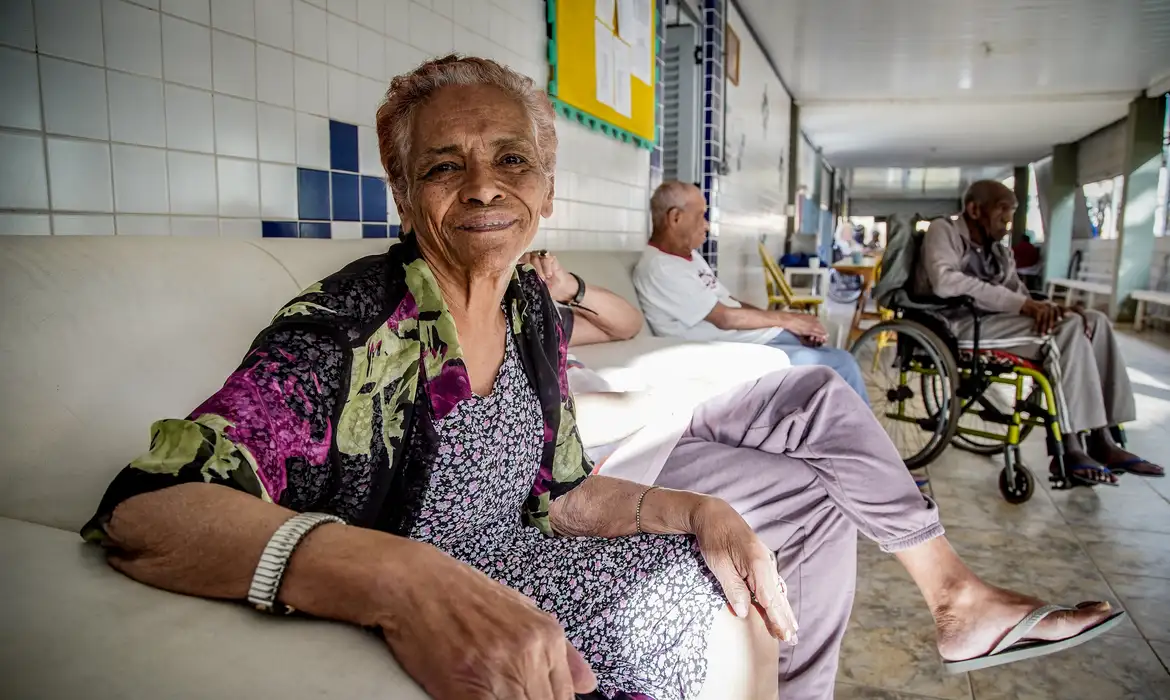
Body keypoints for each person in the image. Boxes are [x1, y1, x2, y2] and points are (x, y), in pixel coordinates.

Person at [80, 57, 1120, 700]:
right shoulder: (355, 321)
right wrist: (401, 580)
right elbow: (147, 510)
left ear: (547, 181)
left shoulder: (533, 309)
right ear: (403, 190)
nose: (483, 183)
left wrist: (691, 505)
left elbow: (562, 486)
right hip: (432, 573)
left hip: (520, 548)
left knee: (725, 569)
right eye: (444, 164)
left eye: (511, 160)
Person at [524, 248, 1123, 699]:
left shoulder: (518, 299)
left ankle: (954, 594)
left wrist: (564, 285)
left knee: (816, 391)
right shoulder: (446, 326)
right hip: (594, 451)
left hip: (636, 412)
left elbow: (624, 326)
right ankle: (952, 603)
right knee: (814, 493)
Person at [915, 180, 1164, 484]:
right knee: (1066, 334)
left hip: (993, 322)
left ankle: (1104, 437)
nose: (1009, 218)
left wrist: (1047, 306)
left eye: (1014, 210)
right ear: (974, 209)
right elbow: (945, 282)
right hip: (955, 324)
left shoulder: (998, 250)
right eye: (1002, 209)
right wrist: (1023, 305)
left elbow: (1017, 292)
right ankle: (1070, 447)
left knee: (1093, 320)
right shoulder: (945, 231)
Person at [632, 181, 868, 400]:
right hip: (725, 355)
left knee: (827, 354)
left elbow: (730, 302)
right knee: (842, 363)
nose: (706, 225)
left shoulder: (689, 257)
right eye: (701, 215)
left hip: (751, 340)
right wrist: (788, 320)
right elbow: (725, 317)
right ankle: (862, 442)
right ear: (675, 218)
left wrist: (780, 325)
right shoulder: (660, 267)